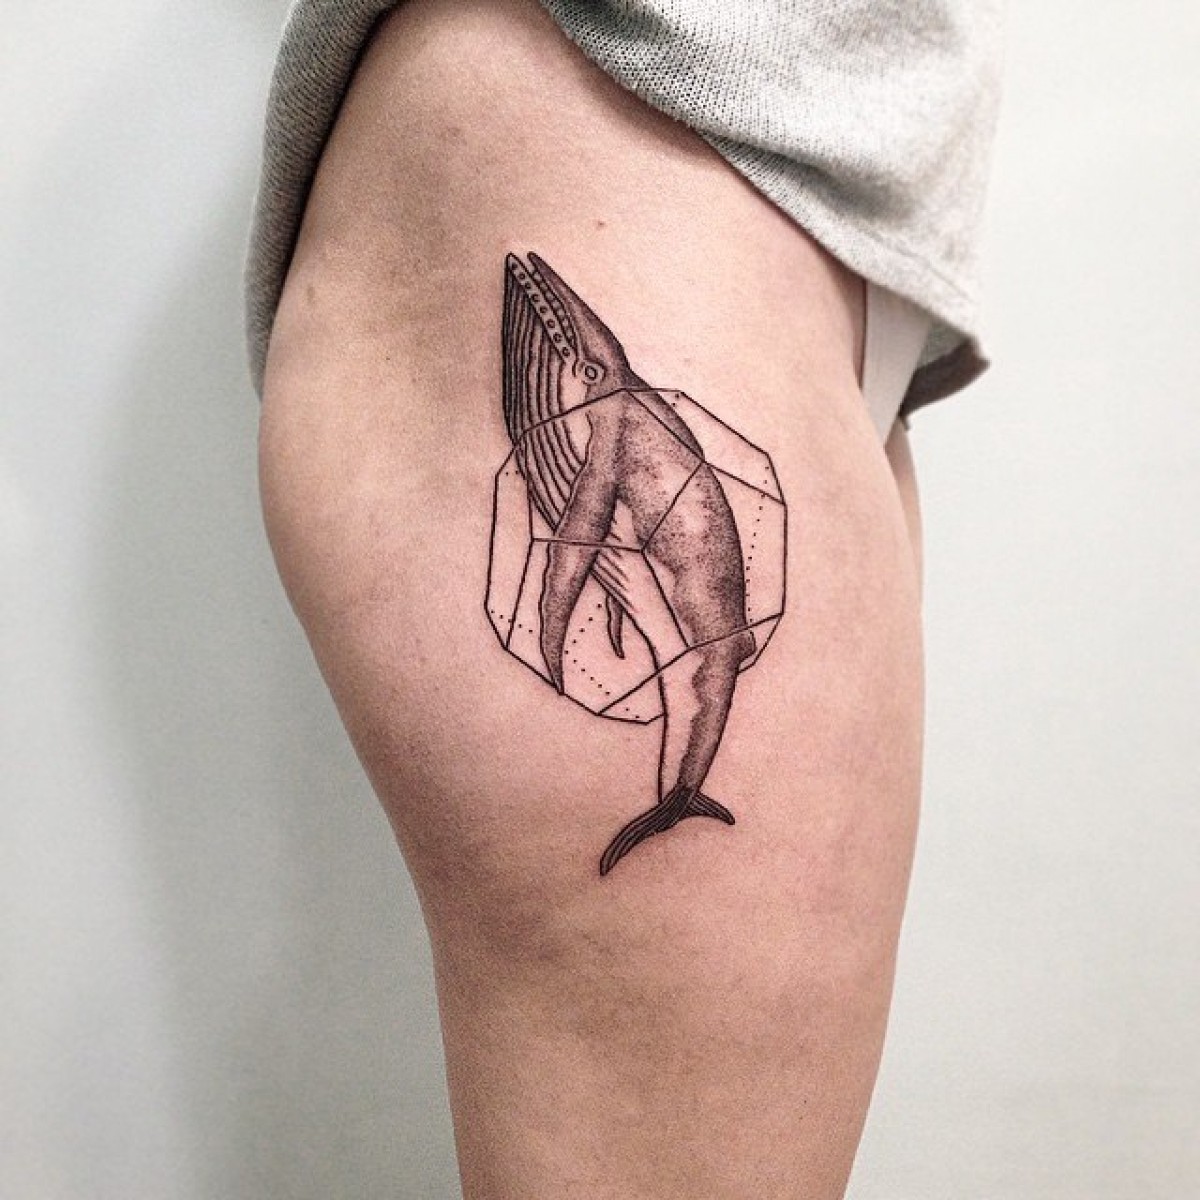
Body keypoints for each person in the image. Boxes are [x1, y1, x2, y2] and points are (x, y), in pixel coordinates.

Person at [247, 1, 1003, 1195]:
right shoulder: (601, 399)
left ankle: (682, 789)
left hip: (832, 244)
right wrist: (556, 617)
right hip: (609, 142)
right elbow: (578, 520)